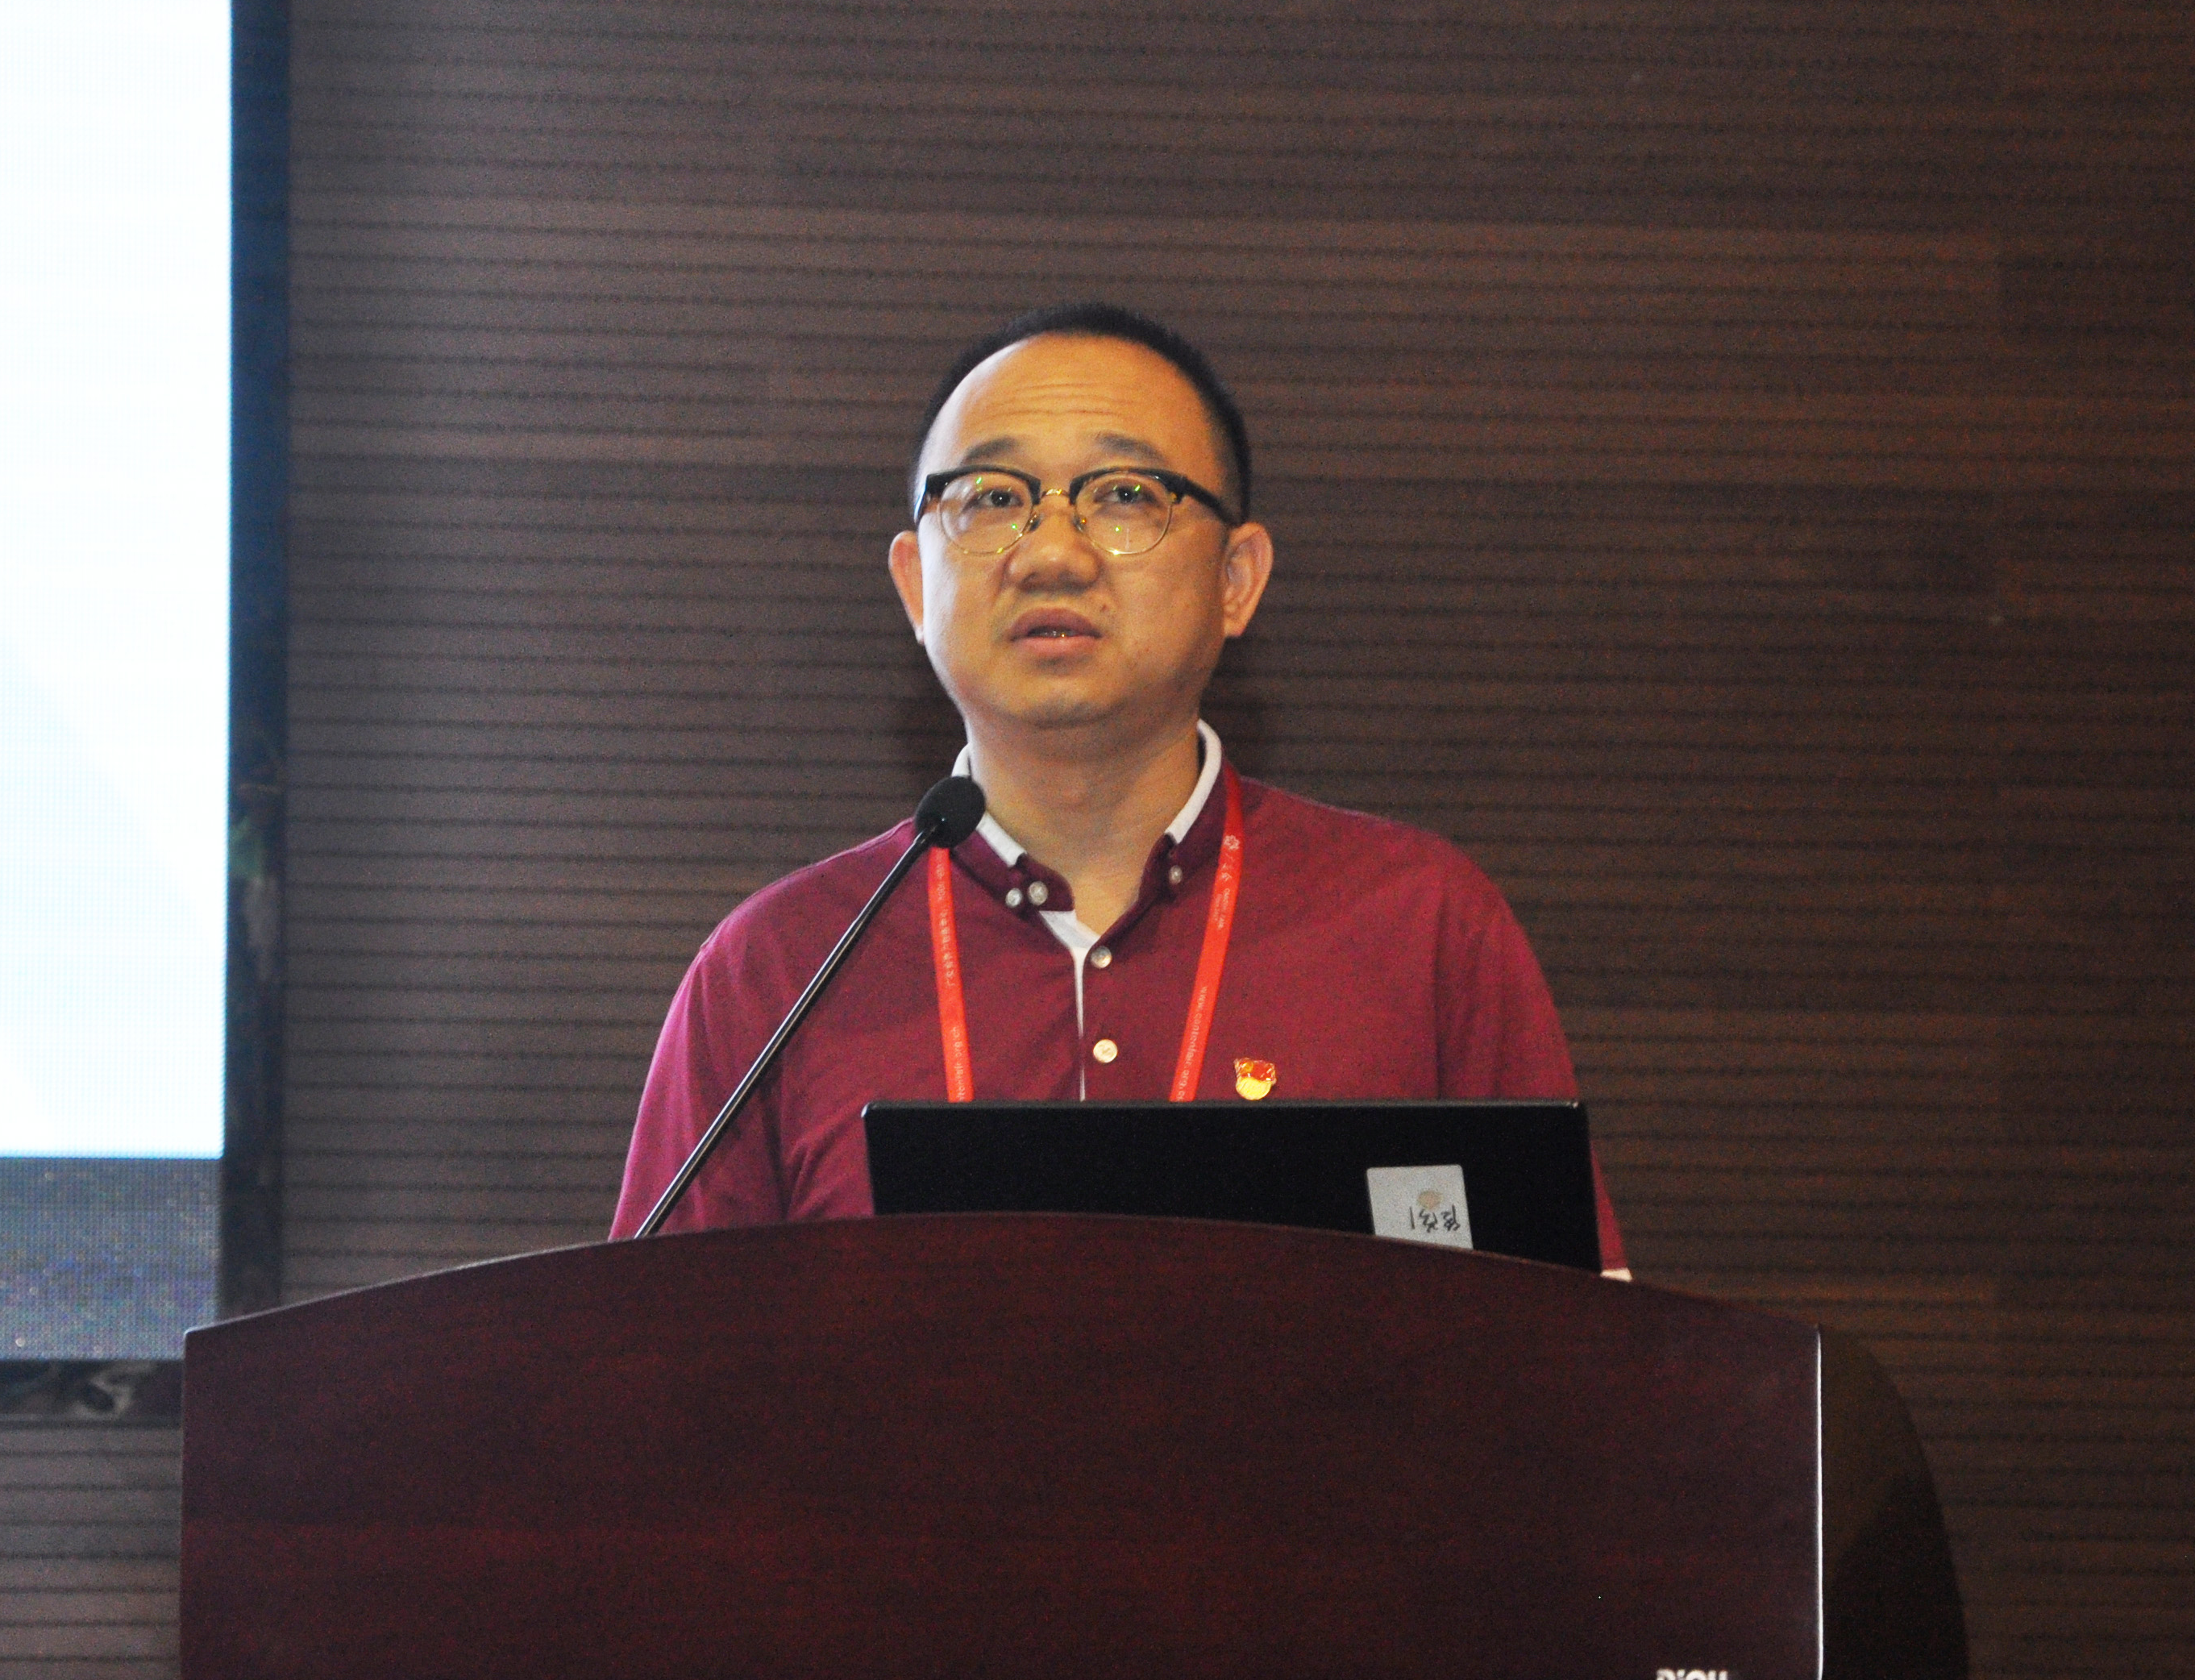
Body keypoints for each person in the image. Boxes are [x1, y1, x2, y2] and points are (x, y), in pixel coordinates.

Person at [612, 303, 1627, 1274]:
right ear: (915, 585)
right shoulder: (775, 972)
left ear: (1235, 579)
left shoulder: (1420, 926)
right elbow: (653, 1369)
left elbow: (1574, 1352)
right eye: (992, 499)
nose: (1052, 554)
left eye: (1126, 495)